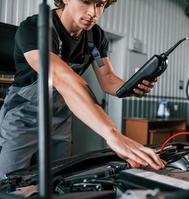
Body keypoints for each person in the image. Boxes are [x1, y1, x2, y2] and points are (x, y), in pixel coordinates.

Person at [0, 0, 165, 180]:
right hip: (23, 117)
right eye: (86, 2)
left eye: (100, 4)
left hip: (60, 118)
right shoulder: (34, 28)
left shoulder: (95, 37)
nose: (93, 13)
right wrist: (112, 134)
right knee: (9, 180)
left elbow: (108, 80)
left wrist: (132, 86)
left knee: (59, 178)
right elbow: (61, 78)